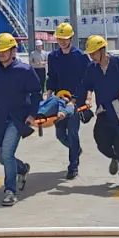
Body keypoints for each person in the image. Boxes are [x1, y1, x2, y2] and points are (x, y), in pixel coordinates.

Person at [0, 32, 41, 207]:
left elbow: (36, 93)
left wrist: (32, 114)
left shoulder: (25, 70)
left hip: (17, 119)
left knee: (7, 153)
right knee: (0, 156)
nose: (1, 54)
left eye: (5, 50)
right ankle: (22, 168)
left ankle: (10, 191)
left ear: (13, 50)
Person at [78, 34, 119, 188]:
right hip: (104, 111)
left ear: (102, 50)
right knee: (101, 142)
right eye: (90, 54)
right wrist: (88, 98)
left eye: (94, 53)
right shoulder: (92, 68)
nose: (92, 57)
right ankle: (115, 157)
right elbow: (87, 85)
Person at [46, 22, 86, 180]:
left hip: (75, 100)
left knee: (73, 132)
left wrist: (81, 98)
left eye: (65, 38)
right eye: (59, 38)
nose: (62, 41)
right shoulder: (53, 57)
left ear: (71, 38)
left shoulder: (80, 57)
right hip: (59, 100)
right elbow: (52, 77)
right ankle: (76, 150)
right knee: (60, 134)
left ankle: (73, 166)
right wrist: (49, 93)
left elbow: (86, 79)